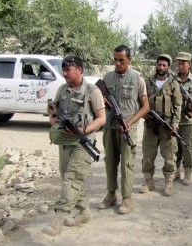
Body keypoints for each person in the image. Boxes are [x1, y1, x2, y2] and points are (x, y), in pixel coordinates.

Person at [42, 55, 106, 236]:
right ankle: (84, 211)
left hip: (83, 144)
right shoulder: (62, 90)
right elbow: (53, 112)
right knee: (67, 178)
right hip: (65, 142)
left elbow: (102, 118)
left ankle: (58, 220)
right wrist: (54, 121)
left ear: (79, 69)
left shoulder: (92, 91)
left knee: (72, 178)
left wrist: (84, 130)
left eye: (68, 69)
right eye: (63, 69)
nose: (64, 73)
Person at [98, 45, 149, 214]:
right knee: (110, 163)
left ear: (129, 60)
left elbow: (145, 107)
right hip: (109, 127)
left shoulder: (138, 79)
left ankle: (127, 198)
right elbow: (98, 100)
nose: (118, 63)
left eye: (122, 60)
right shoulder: (107, 77)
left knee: (127, 164)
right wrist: (103, 101)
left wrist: (130, 121)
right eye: (115, 60)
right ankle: (111, 195)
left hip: (128, 129)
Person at [140, 54, 182, 196]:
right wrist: (144, 115)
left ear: (168, 67)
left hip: (167, 126)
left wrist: (175, 124)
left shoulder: (174, 84)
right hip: (150, 125)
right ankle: (148, 181)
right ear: (156, 65)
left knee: (170, 156)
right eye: (159, 65)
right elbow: (140, 102)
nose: (161, 67)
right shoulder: (147, 82)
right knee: (147, 155)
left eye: (164, 65)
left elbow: (178, 106)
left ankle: (169, 182)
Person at [174, 51, 192, 185]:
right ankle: (176, 169)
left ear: (189, 64)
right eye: (179, 63)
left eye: (183, 64)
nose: (180, 66)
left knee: (188, 147)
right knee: (174, 148)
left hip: (188, 120)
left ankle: (188, 172)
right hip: (174, 120)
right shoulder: (173, 79)